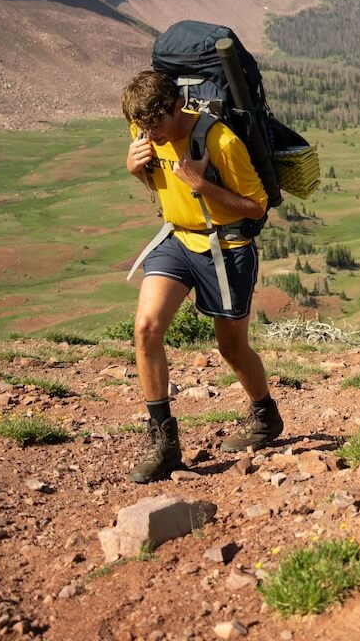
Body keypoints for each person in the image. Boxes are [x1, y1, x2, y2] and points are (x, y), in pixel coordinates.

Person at [121, 70, 282, 483]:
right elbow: (156, 185)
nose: (149, 133)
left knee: (231, 347)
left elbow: (257, 206)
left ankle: (265, 415)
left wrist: (200, 184)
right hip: (176, 241)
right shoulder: (143, 130)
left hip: (226, 249)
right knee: (146, 328)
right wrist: (135, 169)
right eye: (141, 125)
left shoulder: (220, 141)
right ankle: (164, 443)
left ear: (178, 107)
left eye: (157, 124)